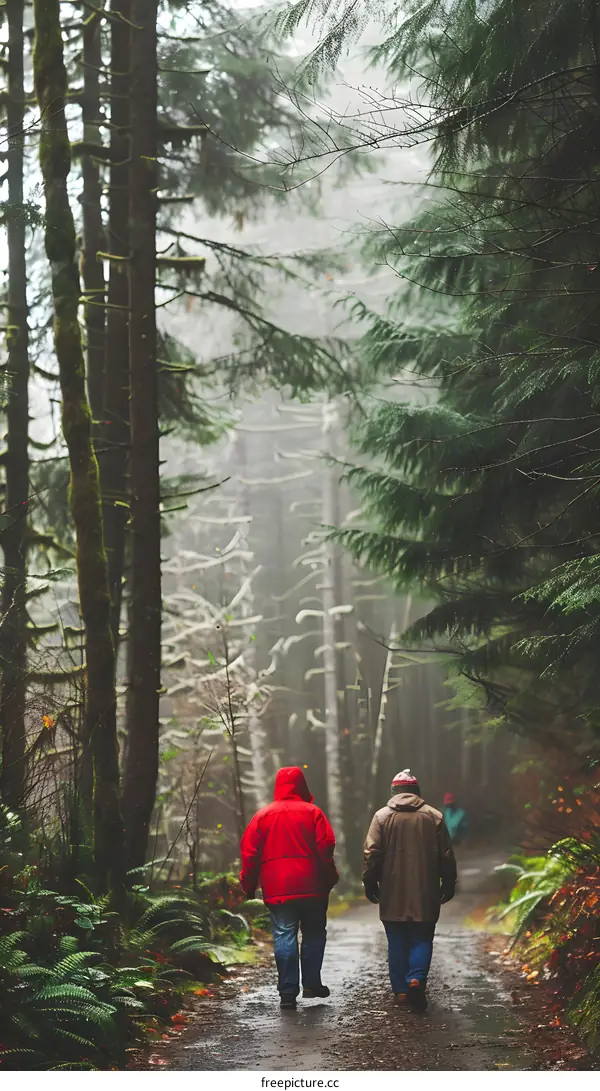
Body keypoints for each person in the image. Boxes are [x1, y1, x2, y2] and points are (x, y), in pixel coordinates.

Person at [239, 766, 339, 1010]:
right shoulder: (313, 812)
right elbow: (326, 848)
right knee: (314, 933)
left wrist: (249, 885)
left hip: (278, 888)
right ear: (303, 786)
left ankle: (287, 992)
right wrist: (330, 878)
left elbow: (250, 855)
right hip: (313, 886)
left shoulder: (263, 816)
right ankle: (312, 984)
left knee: (284, 934)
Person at [363, 768, 457, 1012]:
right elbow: (446, 855)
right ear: (417, 791)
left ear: (394, 791)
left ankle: (401, 992)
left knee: (396, 940)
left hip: (392, 890)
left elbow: (372, 853)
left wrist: (370, 882)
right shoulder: (433, 816)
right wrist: (448, 882)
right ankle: (416, 979)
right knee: (422, 936)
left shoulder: (381, 817)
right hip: (425, 890)